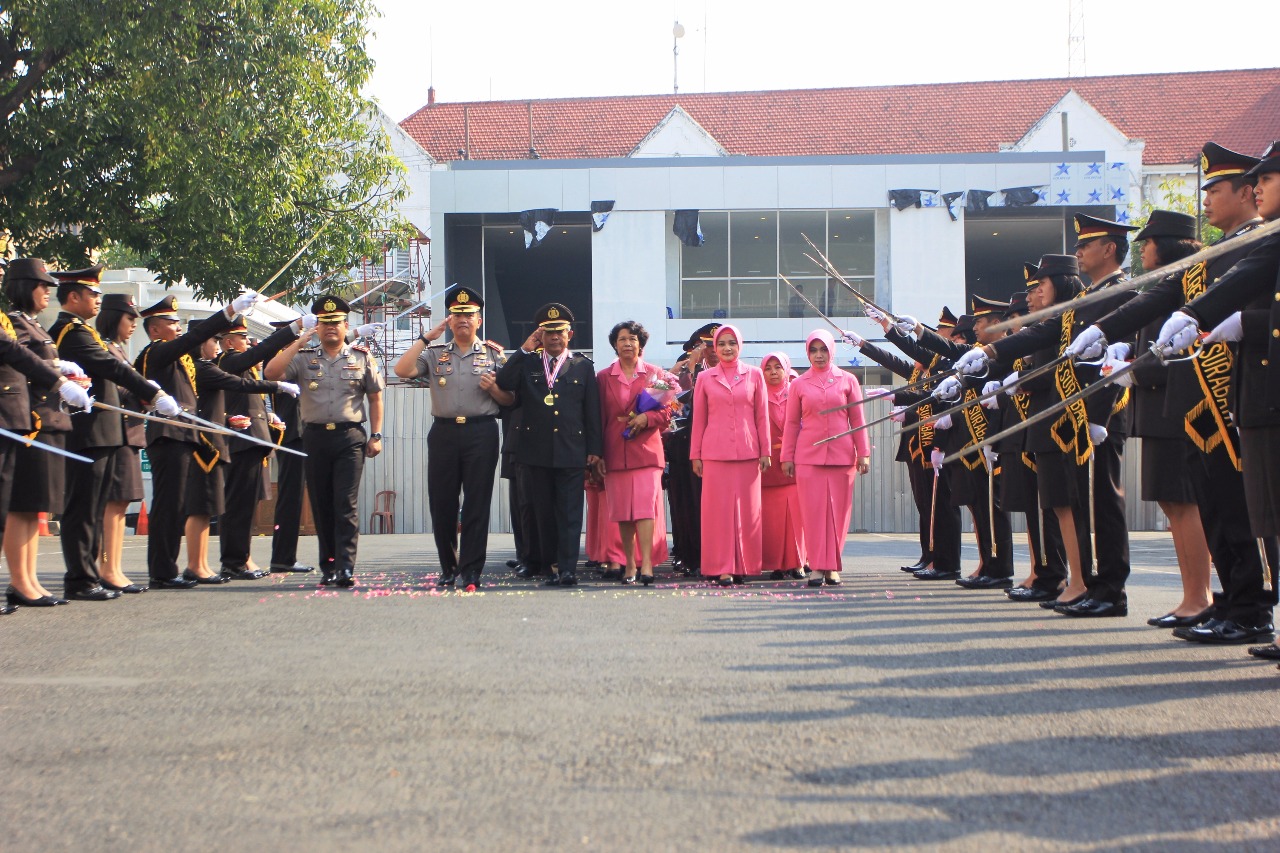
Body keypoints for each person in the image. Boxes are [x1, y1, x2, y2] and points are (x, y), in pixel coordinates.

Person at [962, 238, 1137, 618]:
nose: (1079, 251)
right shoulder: (1084, 302)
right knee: (1067, 504)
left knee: (1099, 506)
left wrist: (1097, 417)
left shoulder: (1121, 292)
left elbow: (1115, 358)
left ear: (1109, 249)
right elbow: (1040, 338)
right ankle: (1082, 582)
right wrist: (989, 353)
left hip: (1091, 419)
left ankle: (1101, 587)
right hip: (1066, 422)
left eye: (1041, 285)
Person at [1153, 140, 1280, 650]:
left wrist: (1227, 320)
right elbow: (1166, 298)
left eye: (1217, 190)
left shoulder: (1258, 242)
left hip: (1236, 394)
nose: (1206, 200)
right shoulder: (1218, 253)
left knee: (1248, 511)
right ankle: (1234, 599)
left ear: (1247, 193)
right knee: (1219, 507)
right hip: (1214, 400)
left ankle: (1251, 605)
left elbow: (1235, 301)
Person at [52, 275, 174, 598]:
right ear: (74, 297)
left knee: (93, 508)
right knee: (82, 508)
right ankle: (81, 579)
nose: (96, 299)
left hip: (103, 433)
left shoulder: (84, 332)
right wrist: (152, 390)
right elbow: (110, 367)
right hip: (87, 432)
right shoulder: (73, 333)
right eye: (92, 293)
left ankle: (90, 575)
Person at [393, 286, 511, 589]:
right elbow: (402, 369)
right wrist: (425, 339)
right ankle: (449, 567)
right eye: (457, 315)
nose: (463, 320)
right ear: (450, 319)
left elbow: (511, 399)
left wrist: (494, 390)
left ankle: (471, 569)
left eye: (469, 315)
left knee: (477, 503)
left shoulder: (494, 354)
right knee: (442, 503)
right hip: (444, 432)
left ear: (479, 320)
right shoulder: (434, 354)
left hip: (481, 432)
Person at [135, 292, 252, 588]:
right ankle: (162, 571)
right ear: (154, 328)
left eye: (177, 322)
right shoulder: (157, 352)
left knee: (176, 507)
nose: (177, 327)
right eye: (171, 322)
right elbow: (195, 337)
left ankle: (167, 569)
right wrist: (228, 312)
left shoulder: (176, 357)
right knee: (167, 508)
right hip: (168, 434)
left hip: (184, 435)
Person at [266, 294, 384, 588]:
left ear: (346, 326)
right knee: (321, 504)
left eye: (336, 323)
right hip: (315, 437)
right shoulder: (305, 359)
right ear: (317, 327)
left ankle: (345, 567)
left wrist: (377, 435)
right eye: (324, 323)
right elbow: (271, 372)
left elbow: (375, 397)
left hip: (350, 437)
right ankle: (328, 566)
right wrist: (298, 341)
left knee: (346, 503)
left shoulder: (361, 357)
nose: (330, 328)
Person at [4, 259, 105, 605]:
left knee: (37, 507)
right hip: (31, 420)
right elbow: (16, 361)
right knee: (23, 505)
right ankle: (20, 581)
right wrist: (58, 373)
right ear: (23, 287)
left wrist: (60, 369)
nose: (47, 291)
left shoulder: (31, 325)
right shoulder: (15, 323)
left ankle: (29, 579)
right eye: (41, 285)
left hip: (43, 419)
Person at [497, 303, 601, 587]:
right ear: (540, 335)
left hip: (571, 450)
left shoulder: (582, 365)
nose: (554, 338)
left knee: (569, 513)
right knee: (542, 512)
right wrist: (522, 349)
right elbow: (503, 381)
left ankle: (568, 569)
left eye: (560, 333)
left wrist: (595, 450)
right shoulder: (528, 362)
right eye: (548, 333)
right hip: (535, 451)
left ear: (570, 334)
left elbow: (591, 412)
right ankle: (548, 565)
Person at [215, 316, 306, 579]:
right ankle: (234, 561)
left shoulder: (243, 365)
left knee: (246, 505)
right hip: (241, 441)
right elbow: (260, 357)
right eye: (243, 338)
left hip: (254, 441)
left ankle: (243, 558)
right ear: (229, 341)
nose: (248, 342)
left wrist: (269, 417)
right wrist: (294, 332)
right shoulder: (229, 361)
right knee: (238, 505)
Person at [781, 329, 870, 587]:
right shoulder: (798, 383)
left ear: (832, 350)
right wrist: (787, 456)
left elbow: (857, 419)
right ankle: (817, 566)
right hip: (808, 458)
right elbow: (791, 424)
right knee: (813, 514)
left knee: (838, 514)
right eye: (813, 350)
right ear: (807, 352)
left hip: (842, 458)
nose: (818, 355)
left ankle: (832, 566)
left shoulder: (848, 380)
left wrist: (862, 453)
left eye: (823, 350)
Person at [690, 324, 770, 586]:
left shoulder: (755, 375)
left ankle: (744, 565)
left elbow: (762, 416)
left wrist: (765, 451)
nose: (726, 348)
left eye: (731, 343)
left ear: (740, 346)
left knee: (748, 512)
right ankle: (722, 566)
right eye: (721, 343)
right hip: (714, 453)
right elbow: (699, 419)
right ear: (715, 347)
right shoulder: (705, 378)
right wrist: (696, 454)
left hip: (748, 452)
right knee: (718, 513)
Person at [596, 320, 674, 586]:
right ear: (614, 345)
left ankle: (647, 564)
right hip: (615, 449)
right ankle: (629, 563)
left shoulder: (656, 375)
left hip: (646, 452)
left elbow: (668, 410)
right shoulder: (603, 377)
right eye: (622, 339)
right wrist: (598, 454)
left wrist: (647, 419)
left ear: (640, 344)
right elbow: (599, 417)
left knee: (644, 510)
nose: (627, 343)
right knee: (622, 512)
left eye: (632, 339)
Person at [267, 319, 317, 575]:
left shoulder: (297, 358)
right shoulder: (281, 361)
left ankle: (285, 556)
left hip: (302, 432)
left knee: (297, 498)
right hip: (291, 435)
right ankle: (282, 557)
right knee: (289, 498)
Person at [760, 351, 806, 581]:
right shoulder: (756, 395)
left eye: (778, 367)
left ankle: (798, 562)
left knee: (797, 518)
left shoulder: (798, 392)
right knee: (773, 520)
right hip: (767, 467)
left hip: (794, 462)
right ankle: (777, 564)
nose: (773, 372)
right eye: (768, 368)